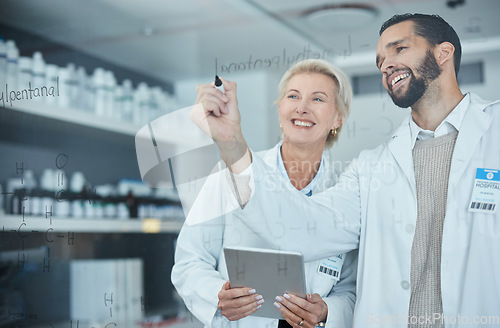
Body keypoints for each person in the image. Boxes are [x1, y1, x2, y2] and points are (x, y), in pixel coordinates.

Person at [190, 13, 500, 328]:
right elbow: (301, 230)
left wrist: (329, 311)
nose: (386, 65)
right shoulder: (370, 168)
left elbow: (347, 286)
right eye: (381, 60)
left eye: (399, 49)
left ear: (443, 53)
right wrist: (231, 142)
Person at [171, 59, 358, 328]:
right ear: (280, 107)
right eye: (293, 96)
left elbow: (352, 289)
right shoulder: (228, 176)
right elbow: (189, 262)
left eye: (318, 98)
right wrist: (217, 295)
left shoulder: (348, 191)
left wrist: (328, 309)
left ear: (338, 116)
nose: (302, 108)